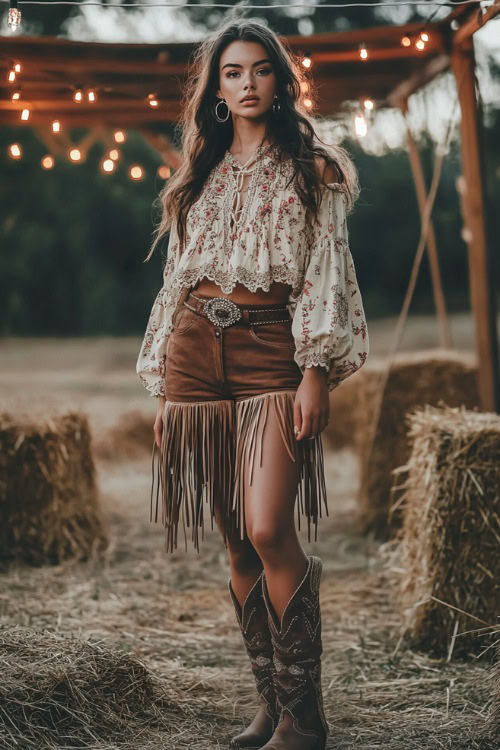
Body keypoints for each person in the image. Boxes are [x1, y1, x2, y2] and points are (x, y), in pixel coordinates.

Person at [136, 16, 369, 750]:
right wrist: (164, 386)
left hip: (274, 353)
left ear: (279, 78)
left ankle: (307, 716)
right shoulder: (197, 174)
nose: (246, 84)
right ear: (216, 87)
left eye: (259, 70)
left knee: (270, 528)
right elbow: (176, 283)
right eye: (232, 72)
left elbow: (326, 273)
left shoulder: (313, 166)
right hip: (195, 354)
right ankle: (273, 705)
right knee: (236, 542)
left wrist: (315, 371)